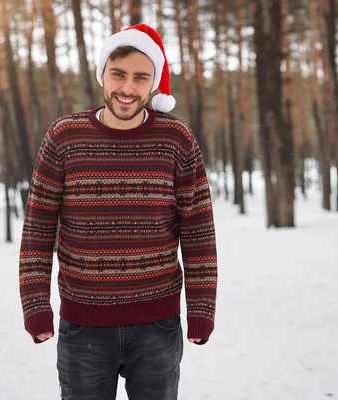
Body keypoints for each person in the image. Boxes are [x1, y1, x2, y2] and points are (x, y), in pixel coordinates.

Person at [19, 23, 218, 400]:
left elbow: (198, 231)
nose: (127, 88)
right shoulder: (64, 137)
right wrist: (35, 303)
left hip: (157, 327)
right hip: (84, 327)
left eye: (140, 78)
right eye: (119, 74)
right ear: (102, 74)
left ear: (154, 83)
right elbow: (38, 229)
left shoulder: (176, 139)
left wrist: (202, 308)